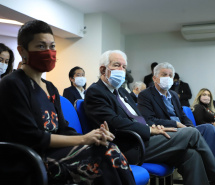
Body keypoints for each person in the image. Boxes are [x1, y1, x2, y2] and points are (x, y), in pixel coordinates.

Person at [0, 20, 136, 185]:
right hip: (29, 160)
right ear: (23, 51)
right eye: (41, 46)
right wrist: (83, 140)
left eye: (52, 46)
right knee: (103, 159)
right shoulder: (12, 84)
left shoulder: (50, 87)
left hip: (54, 154)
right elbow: (33, 137)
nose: (49, 52)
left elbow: (63, 128)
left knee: (108, 147)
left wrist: (94, 137)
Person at [84, 50, 215, 185]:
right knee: (192, 132)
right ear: (103, 70)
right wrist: (149, 130)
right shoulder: (95, 92)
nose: (121, 70)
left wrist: (152, 127)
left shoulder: (122, 91)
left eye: (124, 67)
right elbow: (114, 123)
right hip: (128, 145)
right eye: (116, 65)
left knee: (191, 155)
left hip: (145, 138)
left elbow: (138, 117)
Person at [137, 62, 215, 173]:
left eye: (170, 76)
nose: (168, 78)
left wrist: (189, 127)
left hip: (185, 130)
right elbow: (149, 120)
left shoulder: (173, 95)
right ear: (154, 78)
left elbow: (182, 115)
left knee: (209, 128)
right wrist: (176, 124)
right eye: (164, 75)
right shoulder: (145, 95)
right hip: (168, 132)